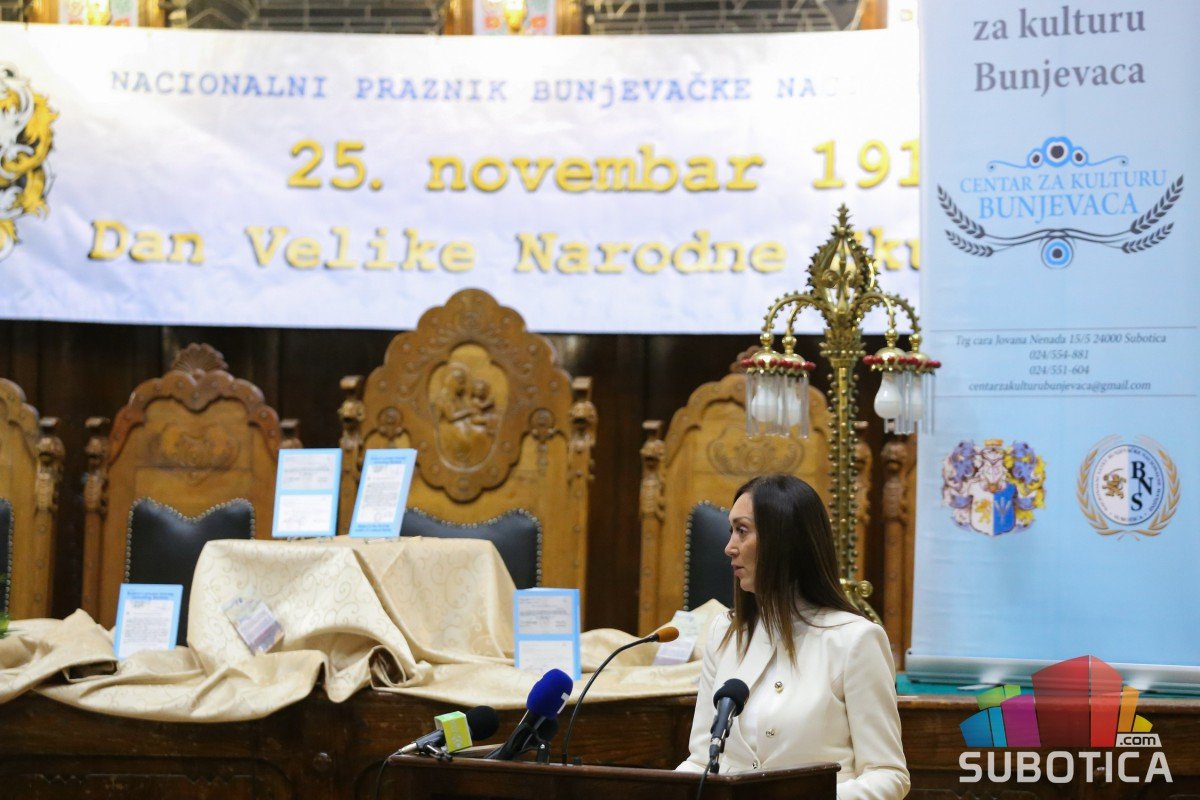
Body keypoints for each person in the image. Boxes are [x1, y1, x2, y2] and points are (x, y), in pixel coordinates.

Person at [677, 474, 909, 800]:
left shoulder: (855, 640)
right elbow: (702, 760)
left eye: (742, 530)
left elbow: (888, 775)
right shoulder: (724, 632)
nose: (729, 548)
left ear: (783, 540)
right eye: (731, 531)